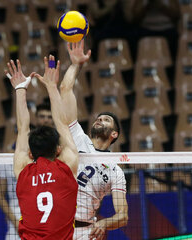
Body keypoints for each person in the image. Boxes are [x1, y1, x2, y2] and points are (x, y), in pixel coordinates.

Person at [60, 40, 128, 240]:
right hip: (57, 225)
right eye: (99, 118)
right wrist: (75, 65)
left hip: (84, 231)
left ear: (114, 134)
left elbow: (123, 216)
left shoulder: (115, 170)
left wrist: (105, 222)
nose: (100, 119)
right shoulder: (79, 139)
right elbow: (65, 89)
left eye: (106, 120)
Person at [7, 56, 79, 239]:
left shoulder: (23, 170)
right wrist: (51, 86)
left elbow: (23, 128)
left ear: (30, 153)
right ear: (58, 150)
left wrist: (20, 88)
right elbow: (62, 124)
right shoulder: (67, 166)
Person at [0, 101, 53, 240]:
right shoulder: (7, 159)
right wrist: (16, 222)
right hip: (17, 219)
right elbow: (0, 195)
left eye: (49, 117)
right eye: (42, 116)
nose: (45, 120)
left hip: (47, 220)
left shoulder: (53, 157)